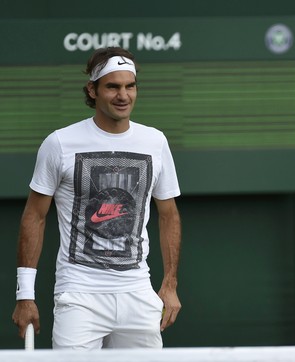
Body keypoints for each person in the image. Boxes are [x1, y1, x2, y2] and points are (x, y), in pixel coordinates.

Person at [11, 47, 182, 349]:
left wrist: (169, 284)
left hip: (137, 291)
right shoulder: (59, 143)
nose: (123, 95)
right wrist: (25, 295)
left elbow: (169, 214)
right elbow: (34, 216)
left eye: (130, 86)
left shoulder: (155, 141)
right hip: (78, 294)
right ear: (93, 90)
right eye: (112, 86)